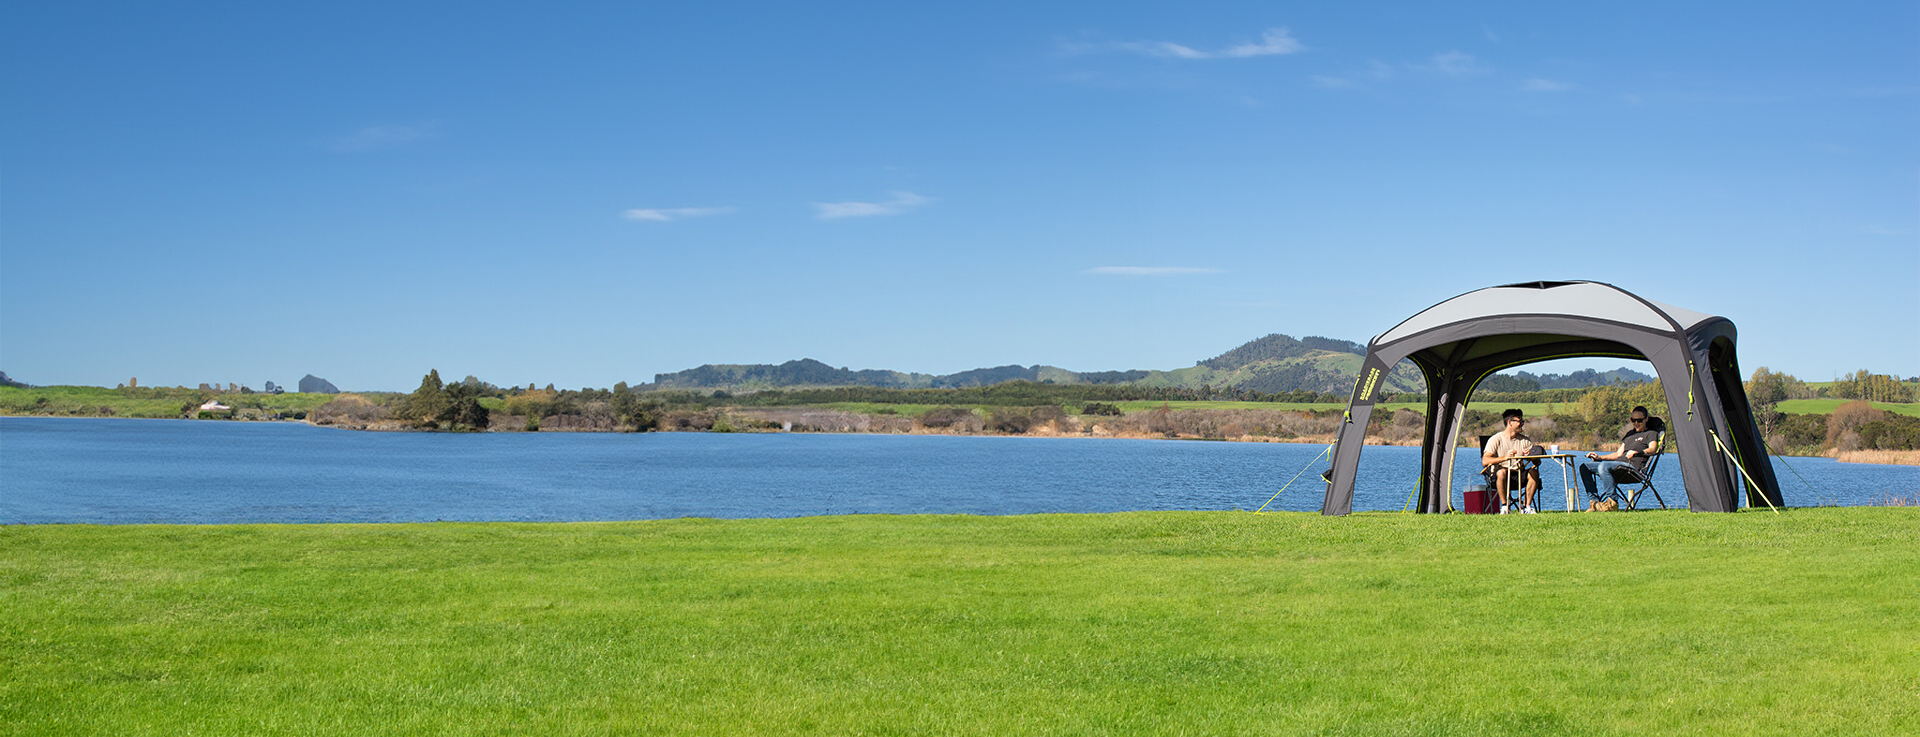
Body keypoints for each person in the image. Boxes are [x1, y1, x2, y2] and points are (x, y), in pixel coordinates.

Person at [1578, 406, 1662, 511]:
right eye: (1633, 420)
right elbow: (1618, 454)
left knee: (1604, 467)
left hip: (1632, 469)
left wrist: (1637, 452)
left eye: (1639, 420)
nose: (1636, 423)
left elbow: (1652, 449)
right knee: (1584, 467)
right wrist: (1599, 457)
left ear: (1646, 419)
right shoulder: (1630, 434)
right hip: (1617, 466)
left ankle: (1612, 502)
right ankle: (1594, 503)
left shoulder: (1651, 433)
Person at [1481, 408, 1540, 513]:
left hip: (1518, 474)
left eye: (1522, 421)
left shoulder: (1525, 441)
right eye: (1520, 421)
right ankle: (1505, 506)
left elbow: (1537, 463)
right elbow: (1485, 461)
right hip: (1500, 476)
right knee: (1502, 472)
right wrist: (1505, 458)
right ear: (1510, 423)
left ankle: (1526, 507)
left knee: (1534, 472)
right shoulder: (1496, 439)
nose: (1522, 424)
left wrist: (1531, 456)